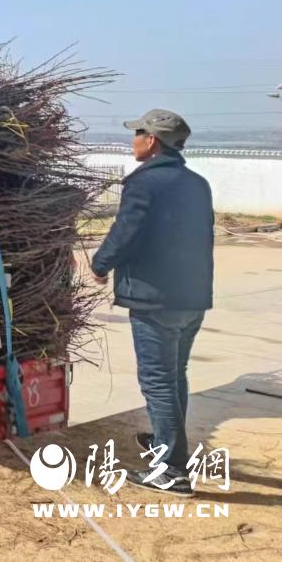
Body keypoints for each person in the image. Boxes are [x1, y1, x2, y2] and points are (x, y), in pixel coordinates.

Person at [91, 109, 213, 497]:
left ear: (153, 140)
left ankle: (172, 472)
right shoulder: (197, 183)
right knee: (174, 375)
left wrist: (100, 263)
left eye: (138, 133)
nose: (134, 140)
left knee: (158, 382)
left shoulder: (144, 183)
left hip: (155, 298)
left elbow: (126, 230)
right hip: (191, 297)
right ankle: (166, 442)